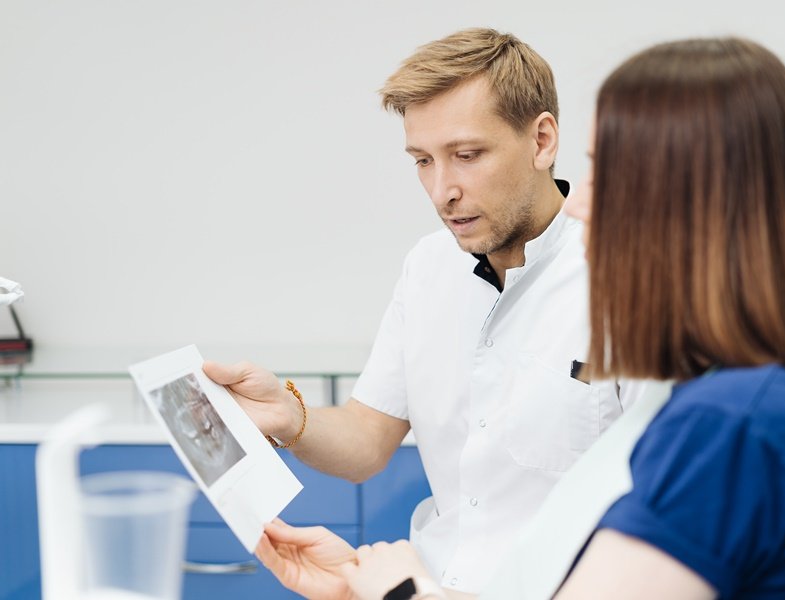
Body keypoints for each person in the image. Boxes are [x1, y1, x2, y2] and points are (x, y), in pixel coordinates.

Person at [253, 37, 785, 600]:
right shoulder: (741, 399)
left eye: (467, 155)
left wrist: (400, 592)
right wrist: (375, 580)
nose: (584, 205)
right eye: (423, 161)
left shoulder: (731, 422)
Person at [203, 28, 641, 594]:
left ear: (542, 141)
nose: (441, 192)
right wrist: (292, 419)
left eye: (466, 156)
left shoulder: (631, 281)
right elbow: (367, 437)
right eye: (422, 161)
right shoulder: (429, 266)